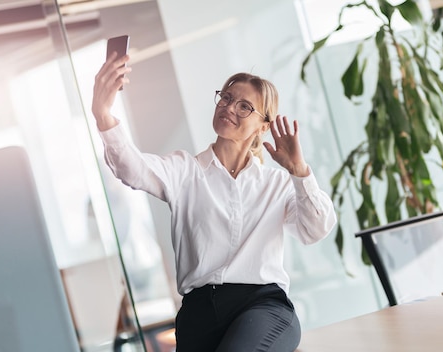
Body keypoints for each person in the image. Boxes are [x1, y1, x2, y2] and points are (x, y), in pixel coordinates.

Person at [92, 51, 337, 352]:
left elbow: (316, 229)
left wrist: (299, 172)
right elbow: (132, 168)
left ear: (263, 127)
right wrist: (103, 114)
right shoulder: (185, 171)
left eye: (245, 106)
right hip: (198, 315)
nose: (230, 107)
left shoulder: (277, 183)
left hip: (261, 306)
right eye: (227, 97)